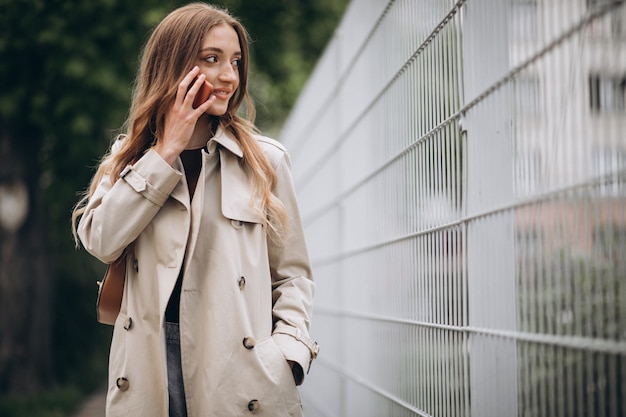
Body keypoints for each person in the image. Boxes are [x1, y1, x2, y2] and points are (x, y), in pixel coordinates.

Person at [71, 3, 317, 416]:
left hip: (240, 370)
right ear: (172, 66)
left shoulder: (265, 162)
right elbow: (100, 240)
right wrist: (164, 152)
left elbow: (293, 275)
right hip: (148, 367)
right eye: (211, 59)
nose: (229, 76)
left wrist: (287, 354)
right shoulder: (128, 159)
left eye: (235, 62)